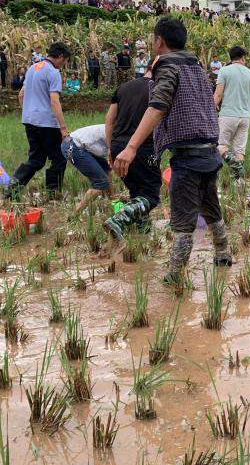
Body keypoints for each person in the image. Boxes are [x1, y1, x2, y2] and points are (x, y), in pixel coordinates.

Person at [112, 17, 232, 284]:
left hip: (188, 156)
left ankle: (175, 275)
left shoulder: (167, 66)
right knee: (210, 204)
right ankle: (223, 253)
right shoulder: (197, 67)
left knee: (182, 217)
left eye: (152, 38)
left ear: (159, 41)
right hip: (208, 150)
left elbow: (158, 105)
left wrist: (131, 147)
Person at [6, 42, 71, 199]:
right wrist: (63, 128)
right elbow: (54, 101)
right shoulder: (53, 72)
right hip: (47, 124)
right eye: (65, 60)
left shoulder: (32, 68)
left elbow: (21, 95)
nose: (64, 64)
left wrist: (28, 112)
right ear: (61, 56)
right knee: (59, 158)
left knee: (36, 159)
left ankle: (11, 190)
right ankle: (53, 193)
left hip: (29, 121)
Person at [103, 67, 162, 236]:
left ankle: (143, 229)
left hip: (118, 146)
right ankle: (118, 219)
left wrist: (111, 148)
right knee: (150, 195)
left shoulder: (123, 87)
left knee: (137, 191)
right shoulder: (158, 88)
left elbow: (109, 120)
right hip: (142, 147)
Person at [214, 46, 250, 181]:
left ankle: (235, 165)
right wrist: (248, 111)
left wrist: (209, 110)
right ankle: (238, 182)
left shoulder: (224, 71)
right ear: (243, 58)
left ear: (230, 57)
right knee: (240, 151)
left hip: (228, 115)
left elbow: (218, 94)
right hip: (245, 117)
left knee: (220, 145)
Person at [61, 124, 111, 214]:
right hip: (72, 147)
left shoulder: (120, 129)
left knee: (106, 169)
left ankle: (112, 200)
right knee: (101, 182)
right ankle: (75, 214)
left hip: (79, 145)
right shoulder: (118, 134)